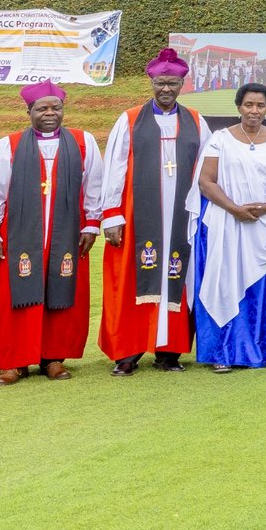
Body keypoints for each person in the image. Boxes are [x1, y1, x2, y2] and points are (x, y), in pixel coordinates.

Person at [0, 82, 105, 385]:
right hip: (18, 235)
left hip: (67, 233)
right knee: (12, 297)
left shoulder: (83, 142)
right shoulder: (8, 145)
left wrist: (91, 224)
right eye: (42, 108)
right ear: (29, 112)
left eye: (56, 108)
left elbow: (95, 186)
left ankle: (53, 358)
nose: (50, 113)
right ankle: (14, 361)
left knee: (60, 293)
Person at [97, 48, 207, 376]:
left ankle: (169, 352)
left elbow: (207, 169)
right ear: (152, 83)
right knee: (130, 278)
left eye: (173, 84)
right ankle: (128, 352)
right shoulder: (130, 119)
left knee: (178, 274)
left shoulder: (197, 122)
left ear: (182, 85)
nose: (166, 89)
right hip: (136, 215)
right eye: (161, 83)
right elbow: (114, 168)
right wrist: (112, 215)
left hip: (181, 215)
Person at [193, 83, 266, 372]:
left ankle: (255, 350)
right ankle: (222, 351)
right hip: (227, 223)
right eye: (249, 104)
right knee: (225, 285)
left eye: (260, 105)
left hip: (265, 227)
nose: (254, 111)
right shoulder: (220, 139)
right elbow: (206, 181)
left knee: (259, 290)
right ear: (239, 106)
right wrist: (234, 208)